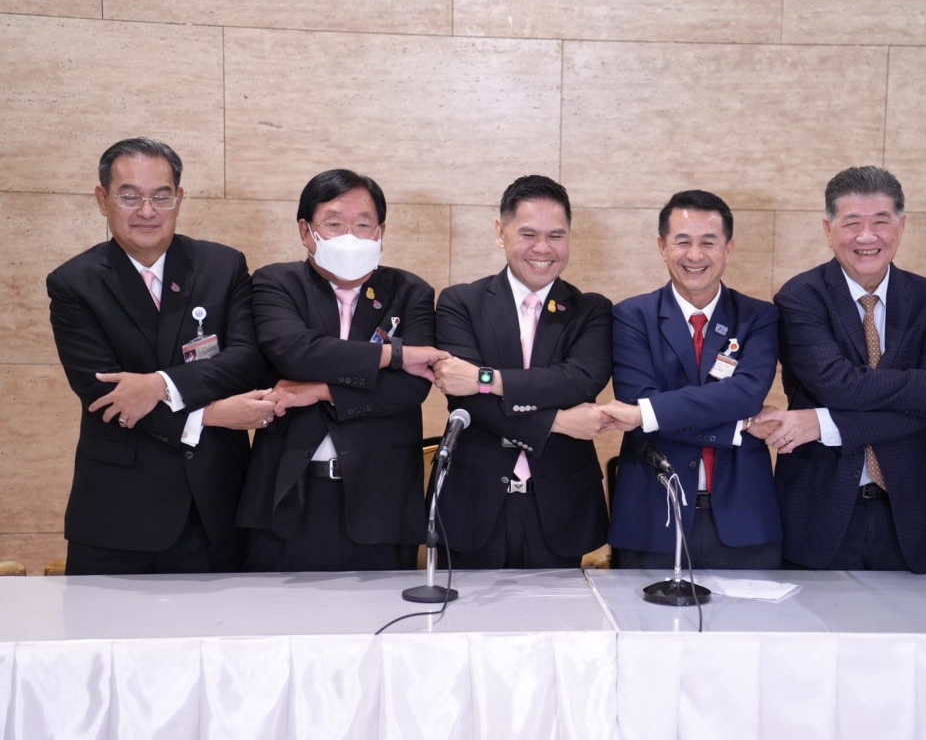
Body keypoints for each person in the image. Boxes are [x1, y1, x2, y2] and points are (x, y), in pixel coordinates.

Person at [47, 137, 272, 574]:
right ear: (103, 200)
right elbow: (105, 394)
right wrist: (210, 415)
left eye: (161, 196)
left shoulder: (223, 266)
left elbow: (247, 360)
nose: (147, 211)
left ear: (179, 199)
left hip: (217, 507)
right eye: (129, 196)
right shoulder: (74, 283)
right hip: (118, 515)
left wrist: (159, 385)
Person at [237, 169, 447, 572]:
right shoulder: (276, 283)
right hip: (287, 495)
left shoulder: (411, 292)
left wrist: (321, 391)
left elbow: (410, 389)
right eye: (334, 224)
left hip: (380, 502)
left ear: (381, 232)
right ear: (306, 231)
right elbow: (295, 353)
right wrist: (394, 356)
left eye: (363, 225)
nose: (350, 236)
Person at [761, 166, 926, 573]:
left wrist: (822, 424)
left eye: (881, 222)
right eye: (852, 223)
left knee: (915, 616)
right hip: (820, 505)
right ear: (828, 229)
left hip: (913, 507)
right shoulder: (800, 298)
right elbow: (839, 386)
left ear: (901, 227)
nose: (867, 237)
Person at [431, 175, 613, 568]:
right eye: (528, 234)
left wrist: (486, 379)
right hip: (472, 503)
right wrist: (559, 422)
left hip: (561, 506)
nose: (543, 248)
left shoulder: (591, 310)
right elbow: (468, 402)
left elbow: (579, 381)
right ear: (501, 232)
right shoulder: (460, 303)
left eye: (556, 235)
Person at [602, 190, 782, 569]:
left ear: (729, 249)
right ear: (662, 247)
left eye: (708, 242)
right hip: (653, 514)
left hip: (744, 516)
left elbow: (746, 394)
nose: (695, 255)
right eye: (682, 241)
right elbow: (638, 401)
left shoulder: (759, 317)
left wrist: (651, 414)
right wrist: (739, 426)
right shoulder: (632, 316)